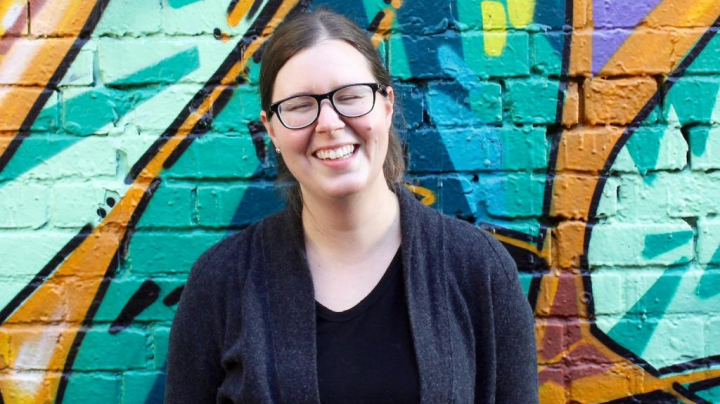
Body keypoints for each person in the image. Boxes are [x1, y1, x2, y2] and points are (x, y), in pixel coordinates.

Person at [164, 8, 538, 404]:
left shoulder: (479, 270)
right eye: (300, 105)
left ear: (387, 105)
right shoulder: (220, 281)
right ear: (271, 129)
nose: (329, 123)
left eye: (351, 96)